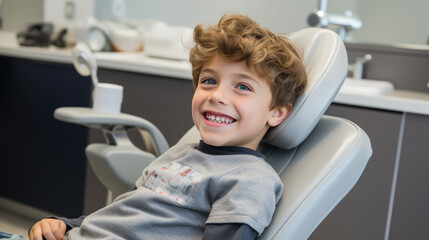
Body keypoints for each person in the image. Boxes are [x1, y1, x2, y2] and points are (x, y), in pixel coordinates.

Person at [29, 13, 307, 240]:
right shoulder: (181, 153)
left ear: (277, 112)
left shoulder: (249, 179)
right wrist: (62, 224)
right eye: (209, 81)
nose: (217, 95)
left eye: (242, 86)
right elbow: (125, 213)